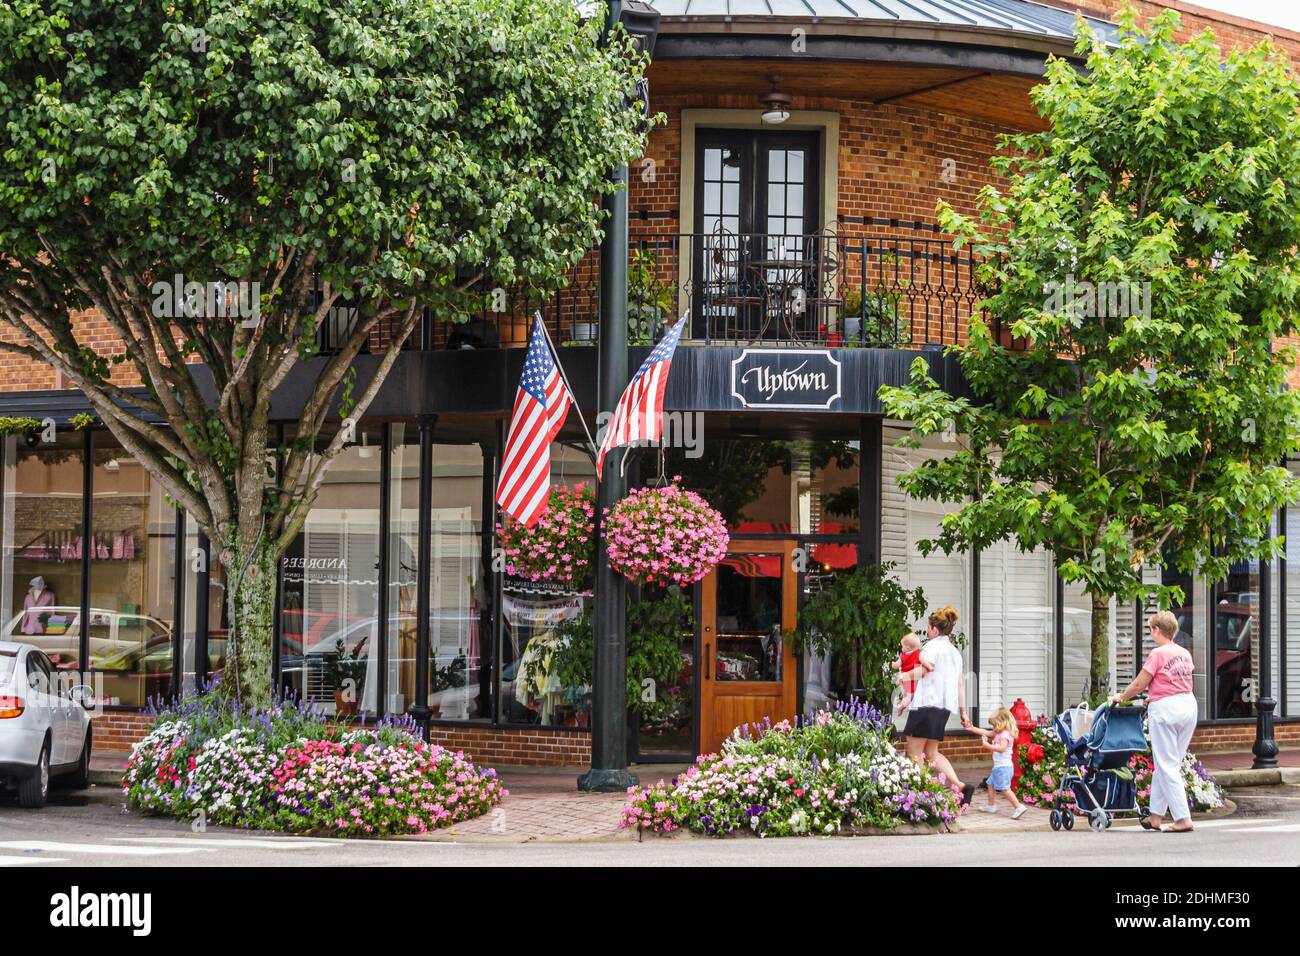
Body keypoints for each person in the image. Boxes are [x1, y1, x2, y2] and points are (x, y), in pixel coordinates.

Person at [1111, 610, 1198, 833]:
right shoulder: (1184, 653)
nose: (1151, 633)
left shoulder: (1158, 654)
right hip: (1187, 705)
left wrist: (1121, 697)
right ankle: (1155, 816)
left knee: (1166, 765)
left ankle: (1182, 818)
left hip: (1166, 710)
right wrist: (1157, 693)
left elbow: (1140, 683)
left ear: (1158, 630)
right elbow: (1177, 681)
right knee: (1168, 763)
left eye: (1151, 629)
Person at [903, 606, 974, 805]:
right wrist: (963, 712)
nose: (927, 631)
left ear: (934, 629)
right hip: (944, 707)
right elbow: (960, 684)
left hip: (926, 704)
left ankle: (923, 796)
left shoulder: (931, 648)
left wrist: (903, 675)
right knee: (931, 753)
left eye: (928, 628)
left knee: (914, 754)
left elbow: (923, 671)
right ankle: (960, 786)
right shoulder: (955, 653)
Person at [965, 707, 1028, 819]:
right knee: (990, 784)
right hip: (999, 767)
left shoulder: (1005, 735)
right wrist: (971, 728)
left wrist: (988, 746)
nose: (993, 728)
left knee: (1004, 789)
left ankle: (1018, 807)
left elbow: (1002, 748)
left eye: (995, 725)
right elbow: (985, 732)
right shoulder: (999, 732)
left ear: (1002, 723)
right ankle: (991, 805)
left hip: (1003, 768)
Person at [890, 631, 928, 716]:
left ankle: (901, 703)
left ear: (908, 647)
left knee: (904, 693)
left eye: (902, 646)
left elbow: (896, 665)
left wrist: (893, 664)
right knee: (909, 696)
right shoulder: (919, 653)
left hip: (902, 677)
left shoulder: (902, 655)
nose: (901, 648)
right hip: (911, 678)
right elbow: (923, 663)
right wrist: (929, 666)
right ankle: (902, 706)